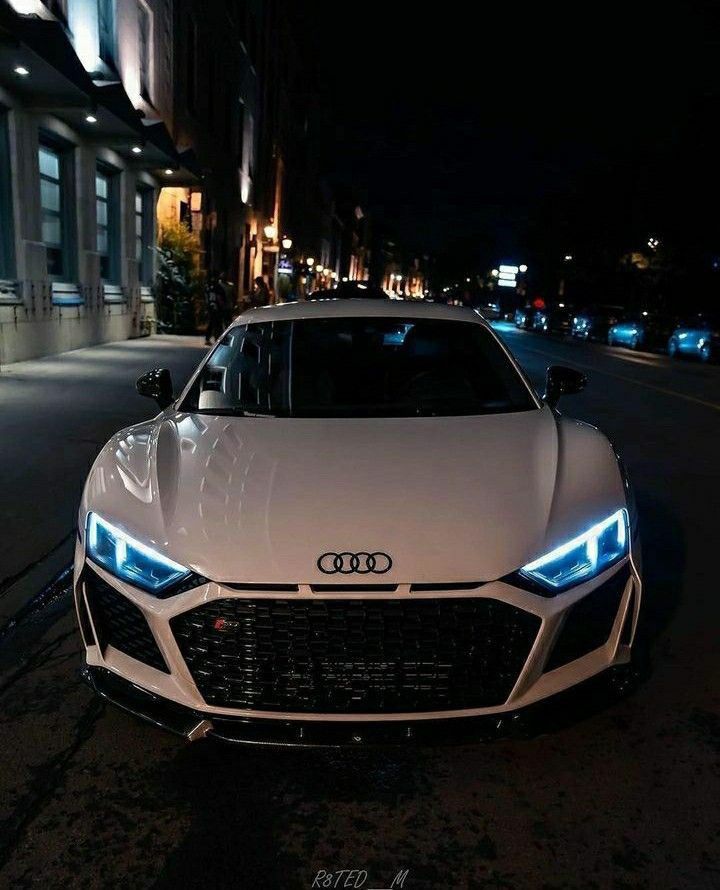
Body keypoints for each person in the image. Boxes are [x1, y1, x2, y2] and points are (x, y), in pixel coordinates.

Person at [204, 272, 227, 345]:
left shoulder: (212, 287)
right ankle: (213, 338)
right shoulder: (217, 288)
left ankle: (213, 338)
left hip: (213, 307)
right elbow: (220, 298)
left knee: (215, 324)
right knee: (215, 324)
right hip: (214, 307)